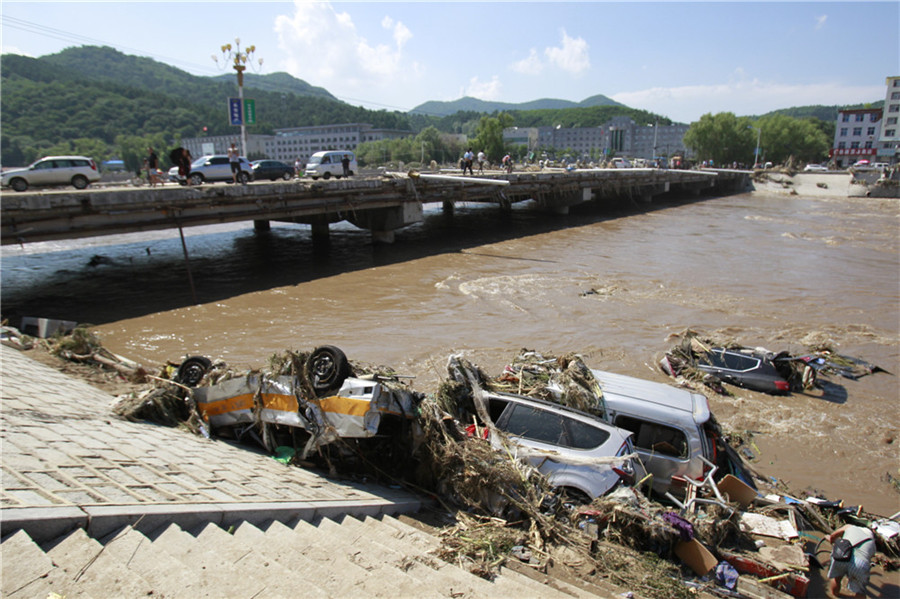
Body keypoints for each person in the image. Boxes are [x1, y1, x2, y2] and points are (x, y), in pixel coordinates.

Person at [826, 524, 876, 598]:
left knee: (836, 578)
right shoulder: (872, 544)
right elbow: (868, 558)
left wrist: (830, 539)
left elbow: (833, 536)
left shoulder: (849, 527)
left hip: (841, 556)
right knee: (860, 591)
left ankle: (835, 595)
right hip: (859, 563)